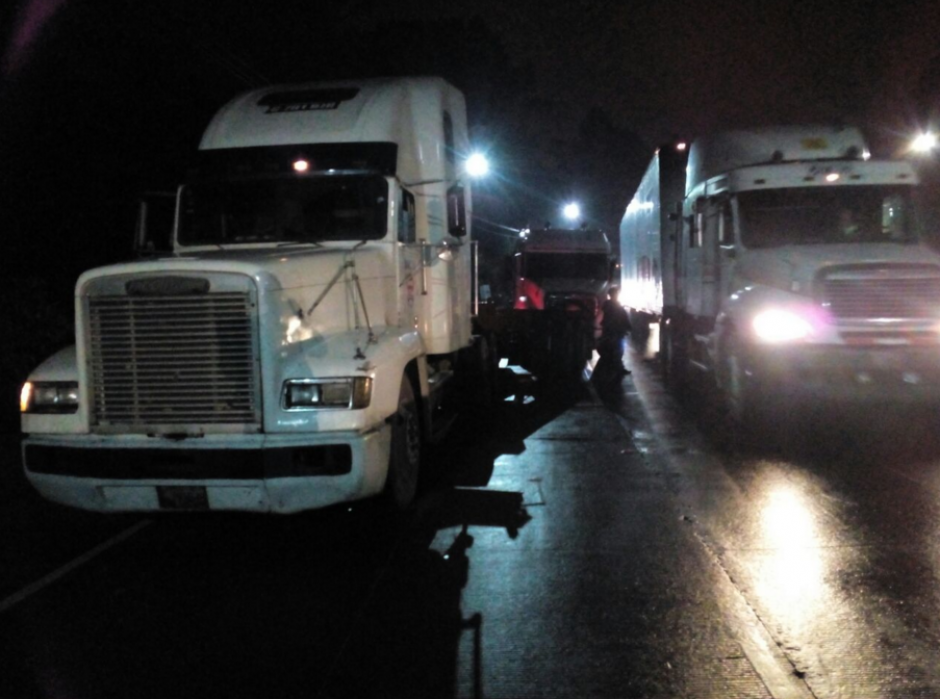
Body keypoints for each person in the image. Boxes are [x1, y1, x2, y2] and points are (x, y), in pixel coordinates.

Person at [598, 286, 631, 377]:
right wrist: (627, 327)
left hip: (612, 331)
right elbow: (622, 318)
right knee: (617, 350)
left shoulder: (608, 305)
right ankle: (617, 369)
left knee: (614, 350)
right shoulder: (614, 306)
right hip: (615, 331)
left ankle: (614, 368)